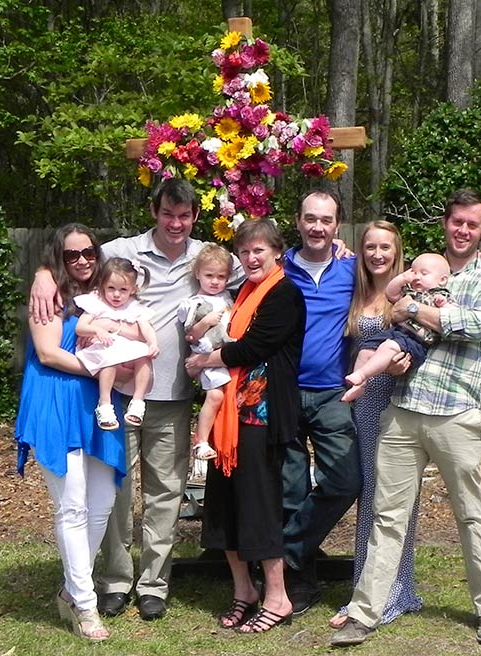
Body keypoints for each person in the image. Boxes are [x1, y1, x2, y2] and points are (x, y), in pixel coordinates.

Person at [29, 178, 241, 621]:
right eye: (168, 214)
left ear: (195, 217)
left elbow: (261, 270)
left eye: (184, 216)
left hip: (173, 395)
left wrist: (336, 249)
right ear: (154, 211)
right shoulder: (122, 250)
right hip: (118, 396)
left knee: (166, 494)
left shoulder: (207, 258)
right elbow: (74, 260)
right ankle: (115, 580)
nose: (176, 223)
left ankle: (154, 585)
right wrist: (43, 274)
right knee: (115, 492)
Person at [330, 189, 481, 647]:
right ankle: (366, 611)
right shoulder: (421, 268)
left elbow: (473, 326)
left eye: (472, 224)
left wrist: (415, 309)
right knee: (387, 515)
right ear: (446, 222)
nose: (463, 231)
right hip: (404, 410)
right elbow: (394, 316)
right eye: (457, 222)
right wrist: (417, 319)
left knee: (471, 514)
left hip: (457, 413)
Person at [282, 188, 410, 615]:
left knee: (345, 480)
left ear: (338, 226)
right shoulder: (278, 269)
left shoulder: (351, 270)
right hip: (282, 393)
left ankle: (283, 554)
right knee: (291, 487)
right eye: (310, 218)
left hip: (334, 392)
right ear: (298, 221)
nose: (318, 227)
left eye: (326, 220)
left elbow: (400, 277)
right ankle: (297, 584)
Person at [184, 219, 306, 633]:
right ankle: (244, 590)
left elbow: (253, 347)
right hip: (227, 416)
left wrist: (203, 361)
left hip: (260, 416)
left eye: (260, 251)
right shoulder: (242, 295)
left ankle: (278, 595)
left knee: (258, 506)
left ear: (277, 252)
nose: (252, 258)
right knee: (224, 504)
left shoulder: (284, 293)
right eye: (245, 251)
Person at [13, 223, 127, 642]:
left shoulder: (107, 294)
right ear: (56, 258)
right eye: (70, 255)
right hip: (55, 400)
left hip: (98, 403)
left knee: (101, 505)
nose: (81, 261)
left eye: (88, 253)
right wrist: (102, 367)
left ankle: (69, 587)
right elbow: (47, 352)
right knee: (72, 506)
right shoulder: (48, 295)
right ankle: (86, 604)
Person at [328, 221, 423, 629]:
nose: (378, 254)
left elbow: (424, 337)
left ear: (397, 251)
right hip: (360, 403)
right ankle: (368, 589)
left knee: (394, 495)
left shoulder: (409, 291)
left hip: (395, 400)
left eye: (386, 247)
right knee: (371, 492)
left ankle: (392, 591)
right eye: (370, 246)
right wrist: (335, 247)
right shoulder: (355, 285)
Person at [341, 252, 452, 403]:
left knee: (389, 347)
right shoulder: (410, 292)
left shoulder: (442, 296)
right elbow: (390, 293)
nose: (417, 276)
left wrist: (443, 304)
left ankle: (362, 375)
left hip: (416, 341)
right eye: (414, 272)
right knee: (365, 350)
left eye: (424, 273)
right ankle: (359, 385)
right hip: (396, 332)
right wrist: (402, 279)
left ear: (443, 280)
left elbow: (450, 317)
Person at [74, 257, 159, 430]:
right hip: (101, 347)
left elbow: (146, 328)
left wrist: (153, 343)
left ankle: (138, 401)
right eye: (111, 288)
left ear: (133, 289)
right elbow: (80, 327)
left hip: (122, 348)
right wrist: (97, 330)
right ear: (102, 285)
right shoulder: (96, 302)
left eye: (123, 289)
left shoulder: (133, 307)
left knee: (144, 356)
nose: (116, 294)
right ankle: (104, 403)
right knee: (110, 357)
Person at [178, 243, 237, 462]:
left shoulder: (226, 297)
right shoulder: (193, 303)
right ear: (198, 274)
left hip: (226, 354)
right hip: (207, 356)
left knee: (224, 398)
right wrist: (205, 322)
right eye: (209, 275)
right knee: (215, 396)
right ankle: (201, 440)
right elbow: (190, 335)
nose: (214, 281)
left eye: (220, 276)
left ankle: (214, 437)